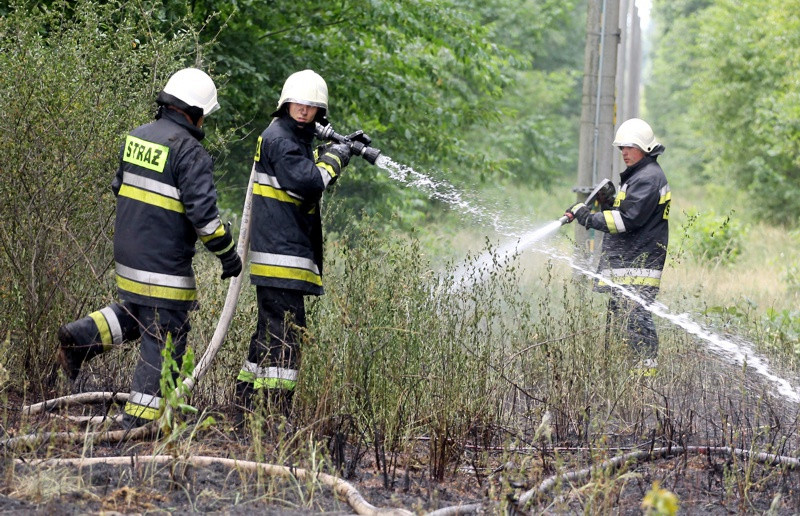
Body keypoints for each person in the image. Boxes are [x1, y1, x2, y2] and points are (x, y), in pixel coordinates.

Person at [56, 68, 243, 429]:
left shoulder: (137, 138)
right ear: (195, 111)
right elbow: (206, 221)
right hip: (164, 267)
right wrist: (228, 254)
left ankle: (80, 338)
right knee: (164, 336)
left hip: (130, 258)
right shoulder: (191, 153)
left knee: (139, 314)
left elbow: (119, 187)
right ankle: (139, 424)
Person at [234, 69, 352, 421]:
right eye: (299, 103)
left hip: (280, 255)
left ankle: (242, 404)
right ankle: (274, 415)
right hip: (280, 257)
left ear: (320, 112)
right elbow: (310, 182)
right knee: (286, 338)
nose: (304, 110)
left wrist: (333, 147)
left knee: (268, 333)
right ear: (286, 103)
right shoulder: (281, 139)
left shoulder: (290, 137)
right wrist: (338, 156)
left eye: (312, 106)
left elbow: (302, 169)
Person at [565, 118, 670, 374]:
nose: (624, 152)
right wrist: (608, 203)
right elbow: (627, 213)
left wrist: (587, 217)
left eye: (629, 147)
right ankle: (625, 373)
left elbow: (627, 220)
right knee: (623, 321)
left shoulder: (647, 179)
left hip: (639, 264)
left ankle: (645, 375)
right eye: (621, 147)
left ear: (644, 148)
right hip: (630, 264)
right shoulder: (640, 177)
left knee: (636, 320)